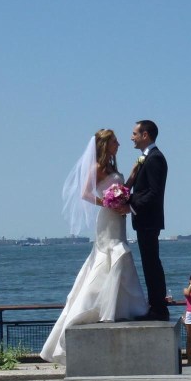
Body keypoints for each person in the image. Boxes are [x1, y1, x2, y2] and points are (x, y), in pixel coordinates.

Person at [41, 129, 148, 364]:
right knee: (113, 254)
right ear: (105, 144)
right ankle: (97, 306)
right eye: (115, 141)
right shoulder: (97, 167)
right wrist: (108, 203)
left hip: (118, 218)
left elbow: (122, 189)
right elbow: (85, 193)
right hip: (108, 218)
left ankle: (118, 307)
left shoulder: (111, 167)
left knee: (119, 254)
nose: (119, 144)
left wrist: (132, 175)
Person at [125, 120, 169, 321]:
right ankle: (156, 306)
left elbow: (153, 193)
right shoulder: (149, 157)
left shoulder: (155, 158)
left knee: (152, 265)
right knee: (150, 264)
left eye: (135, 133)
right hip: (145, 221)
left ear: (145, 135)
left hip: (148, 220)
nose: (131, 137)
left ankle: (158, 309)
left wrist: (130, 203)